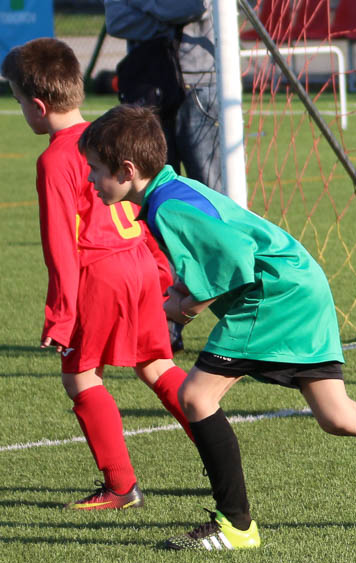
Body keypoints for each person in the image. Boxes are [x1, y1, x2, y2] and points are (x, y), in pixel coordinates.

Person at [79, 105, 356, 551]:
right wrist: (181, 296)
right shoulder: (172, 192)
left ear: (127, 170)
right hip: (300, 286)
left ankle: (235, 525)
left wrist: (186, 307)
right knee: (338, 416)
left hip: (274, 297)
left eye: (96, 169)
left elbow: (235, 259)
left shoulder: (168, 207)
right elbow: (216, 251)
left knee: (195, 397)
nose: (90, 178)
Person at [1, 38, 195, 509]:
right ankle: (219, 451)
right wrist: (160, 268)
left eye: (19, 101)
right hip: (140, 263)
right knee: (157, 366)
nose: (21, 109)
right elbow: (144, 203)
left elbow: (60, 247)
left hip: (100, 275)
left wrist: (60, 315)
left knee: (81, 376)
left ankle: (120, 486)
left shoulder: (55, 160)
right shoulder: (108, 135)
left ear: (38, 106)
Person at [105, 0, 222, 352]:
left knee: (211, 208)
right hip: (148, 84)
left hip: (201, 86)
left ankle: (238, 315)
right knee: (154, 207)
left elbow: (192, 7)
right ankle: (166, 325)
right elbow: (116, 19)